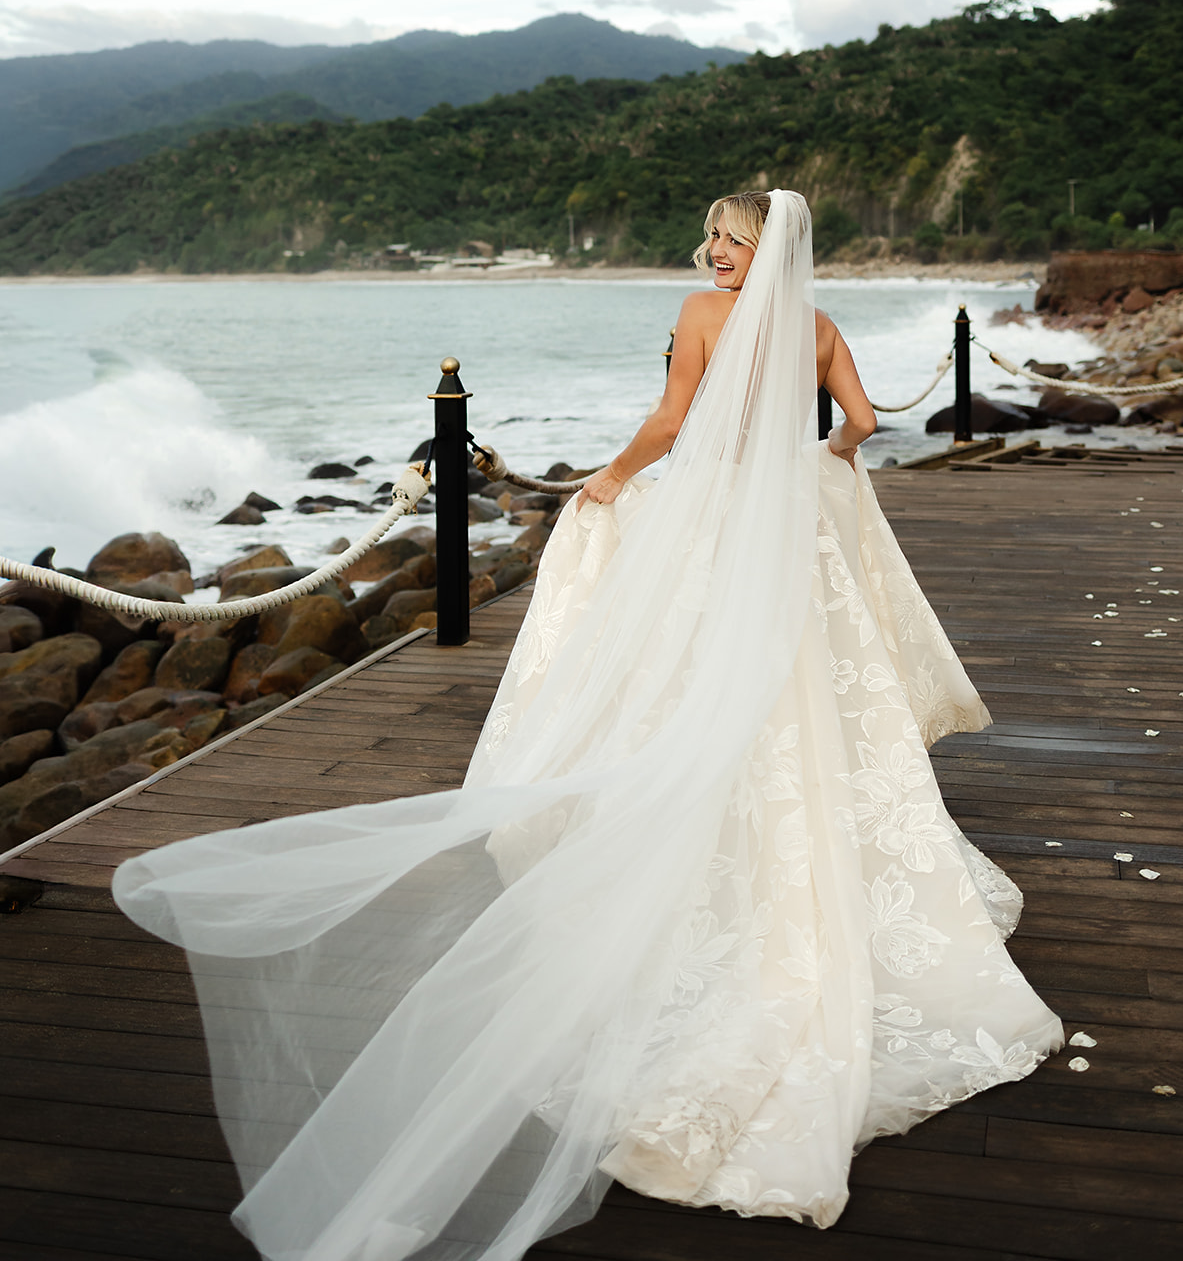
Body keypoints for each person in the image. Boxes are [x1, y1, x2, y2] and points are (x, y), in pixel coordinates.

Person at [115, 190, 1062, 1261]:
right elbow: (861, 424)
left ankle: (709, 823)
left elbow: (670, 422)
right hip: (793, 527)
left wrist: (606, 481)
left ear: (764, 248)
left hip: (707, 521)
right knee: (808, 693)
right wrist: (824, 460)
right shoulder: (817, 328)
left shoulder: (706, 320)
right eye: (707, 238)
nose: (710, 255)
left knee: (691, 678)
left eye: (729, 241)